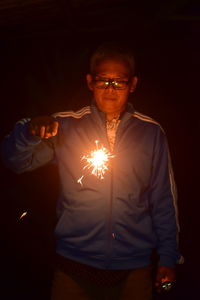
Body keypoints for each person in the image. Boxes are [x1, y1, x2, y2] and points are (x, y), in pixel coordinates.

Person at [1, 43, 182, 300]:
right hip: (72, 265)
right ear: (90, 82)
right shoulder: (65, 125)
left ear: (133, 84)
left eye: (118, 82)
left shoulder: (151, 133)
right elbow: (15, 161)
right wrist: (29, 131)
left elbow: (164, 198)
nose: (110, 89)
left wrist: (168, 256)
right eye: (102, 81)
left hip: (134, 267)